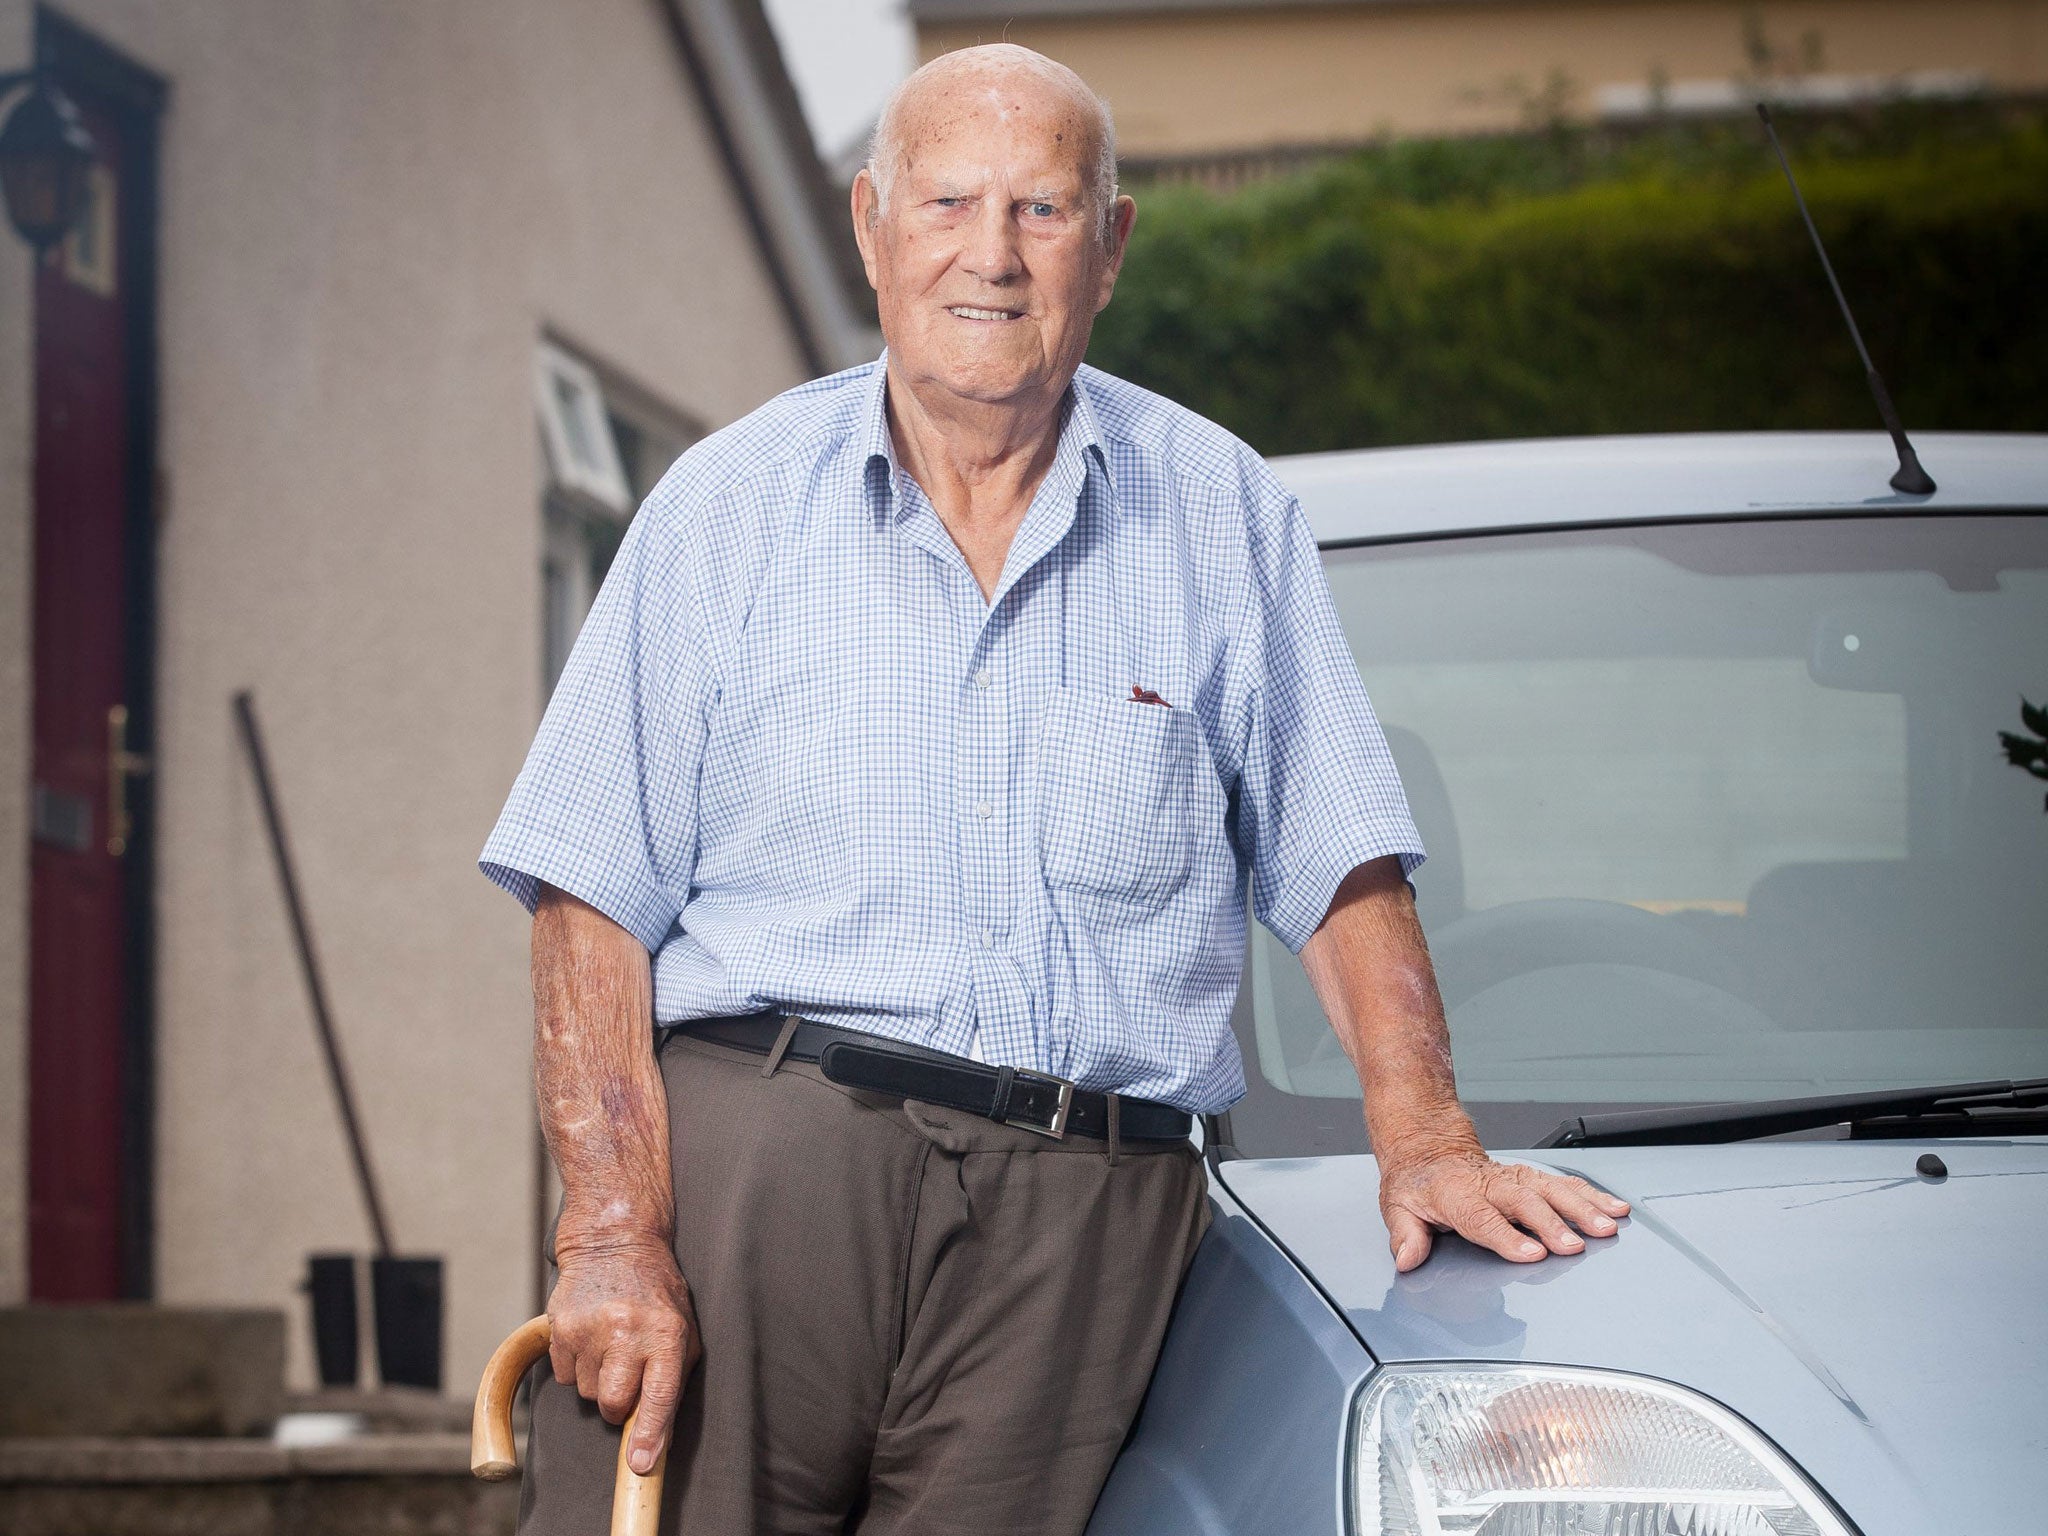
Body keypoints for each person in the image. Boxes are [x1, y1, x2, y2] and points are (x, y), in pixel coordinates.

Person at [480, 43, 1628, 1536]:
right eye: (949, 202)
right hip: (761, 1177)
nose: (993, 255)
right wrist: (615, 1234)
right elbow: (587, 899)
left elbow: (1339, 857)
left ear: (1114, 245)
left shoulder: (1218, 504)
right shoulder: (726, 503)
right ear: (870, 230)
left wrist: (1426, 1139)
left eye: (1042, 208)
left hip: (1082, 1217)